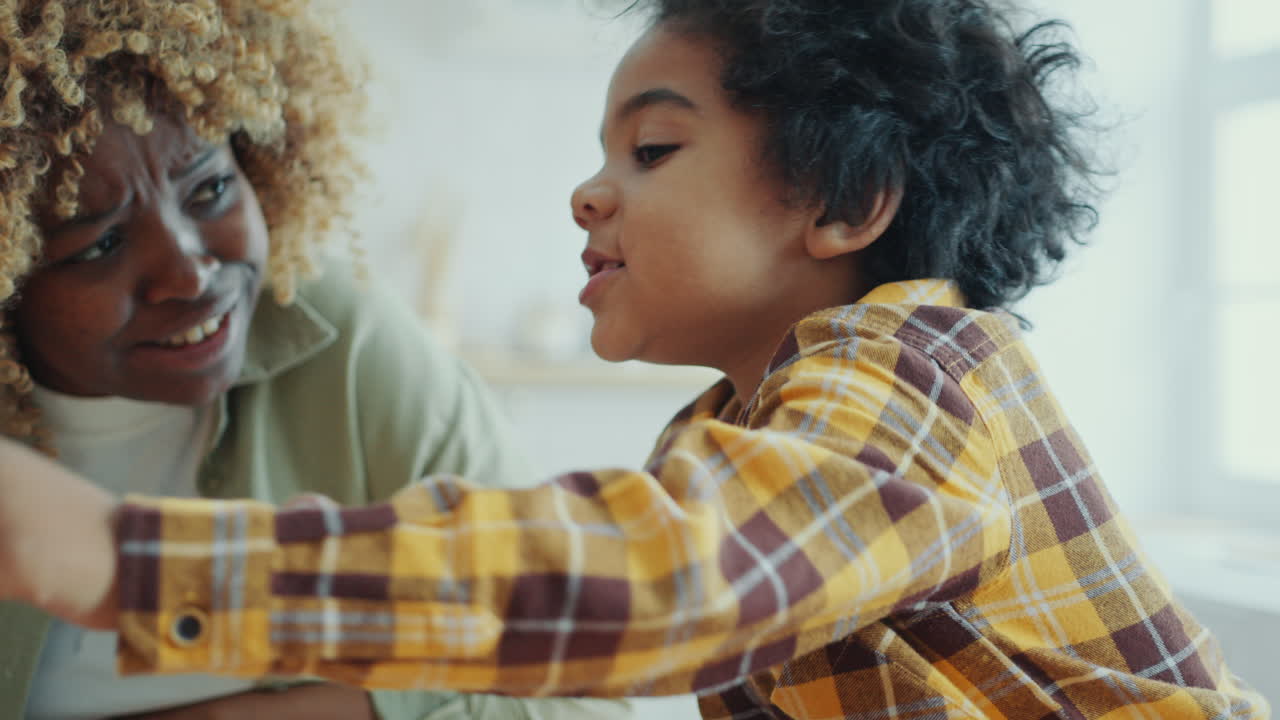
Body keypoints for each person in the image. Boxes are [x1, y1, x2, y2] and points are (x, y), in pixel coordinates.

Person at [0, 0, 1270, 718]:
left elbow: (662, 577)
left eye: (648, 153)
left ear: (845, 200)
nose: (584, 195)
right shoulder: (734, 434)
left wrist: (122, 559)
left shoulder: (923, 367)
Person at [0, 0, 632, 718]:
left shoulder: (338, 334)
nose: (189, 274)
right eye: (101, 245)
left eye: (208, 190)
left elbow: (581, 695)